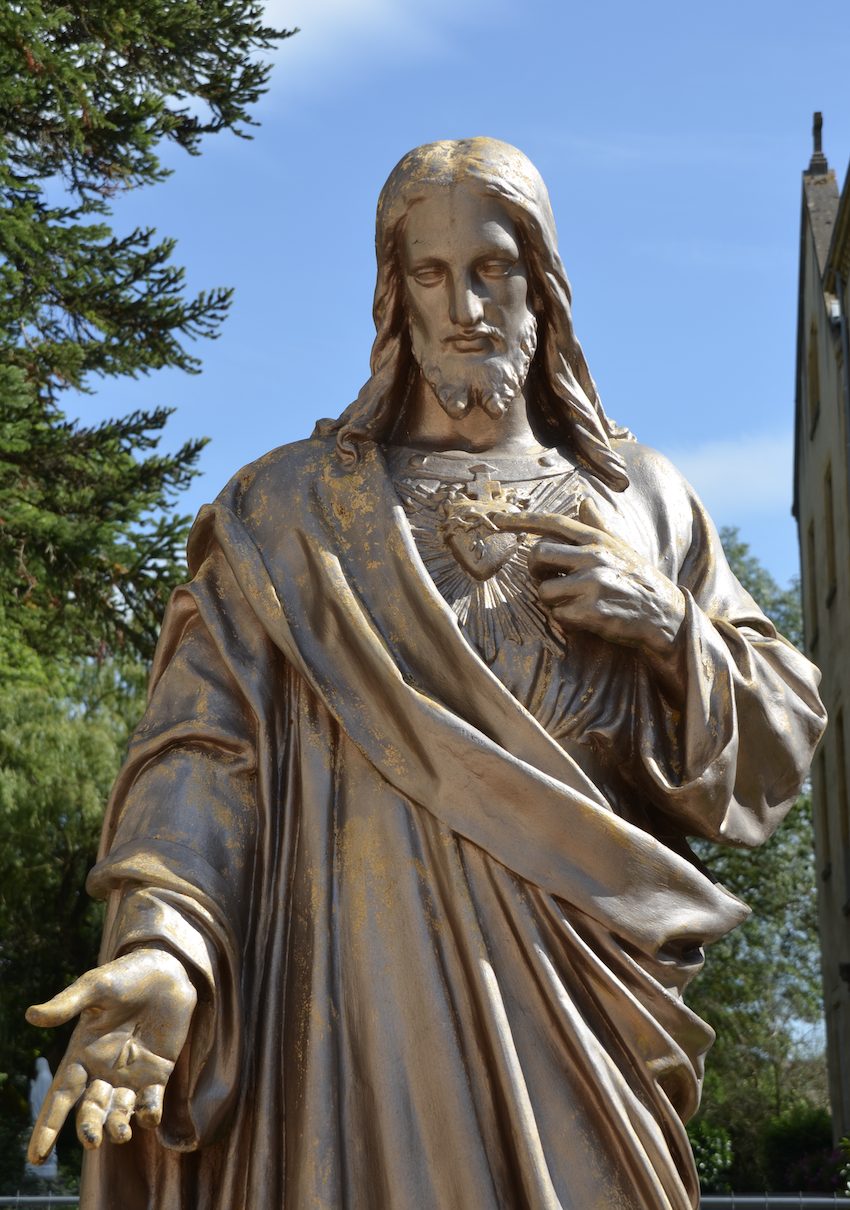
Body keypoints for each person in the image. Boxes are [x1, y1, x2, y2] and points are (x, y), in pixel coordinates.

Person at [27, 138, 825, 1210]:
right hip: (354, 1030)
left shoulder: (644, 500)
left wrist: (668, 624)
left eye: (492, 267)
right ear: (391, 291)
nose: (467, 307)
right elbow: (201, 752)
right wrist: (167, 944)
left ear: (542, 282)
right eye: (431, 272)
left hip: (585, 1026)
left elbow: (780, 740)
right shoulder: (289, 516)